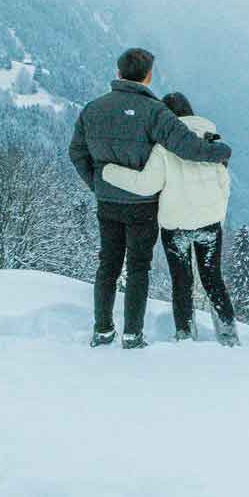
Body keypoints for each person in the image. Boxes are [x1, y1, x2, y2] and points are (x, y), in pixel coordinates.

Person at [68, 48, 231, 349]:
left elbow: (76, 152)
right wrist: (220, 153)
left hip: (108, 204)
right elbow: (188, 148)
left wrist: (97, 184)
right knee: (138, 266)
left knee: (108, 265)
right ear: (148, 75)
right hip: (142, 207)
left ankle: (102, 330)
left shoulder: (92, 109)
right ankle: (132, 335)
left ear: (118, 73)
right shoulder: (155, 111)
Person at [103, 91, 239, 346]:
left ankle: (186, 335)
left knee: (182, 281)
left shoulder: (165, 147)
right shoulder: (213, 142)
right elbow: (224, 184)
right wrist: (216, 214)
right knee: (213, 279)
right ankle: (229, 337)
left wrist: (108, 171)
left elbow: (145, 185)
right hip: (210, 224)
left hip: (176, 227)